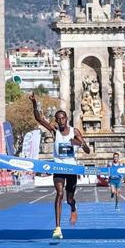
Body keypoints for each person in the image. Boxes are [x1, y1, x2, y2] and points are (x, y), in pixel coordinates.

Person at [31, 92, 91, 239]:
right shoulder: (54, 131)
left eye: (63, 118)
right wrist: (34, 102)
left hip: (72, 169)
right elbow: (38, 118)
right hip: (58, 167)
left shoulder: (74, 132)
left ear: (67, 119)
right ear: (56, 121)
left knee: (69, 198)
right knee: (59, 194)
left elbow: (88, 150)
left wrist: (79, 143)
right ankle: (58, 228)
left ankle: (73, 207)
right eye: (58, 119)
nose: (61, 120)